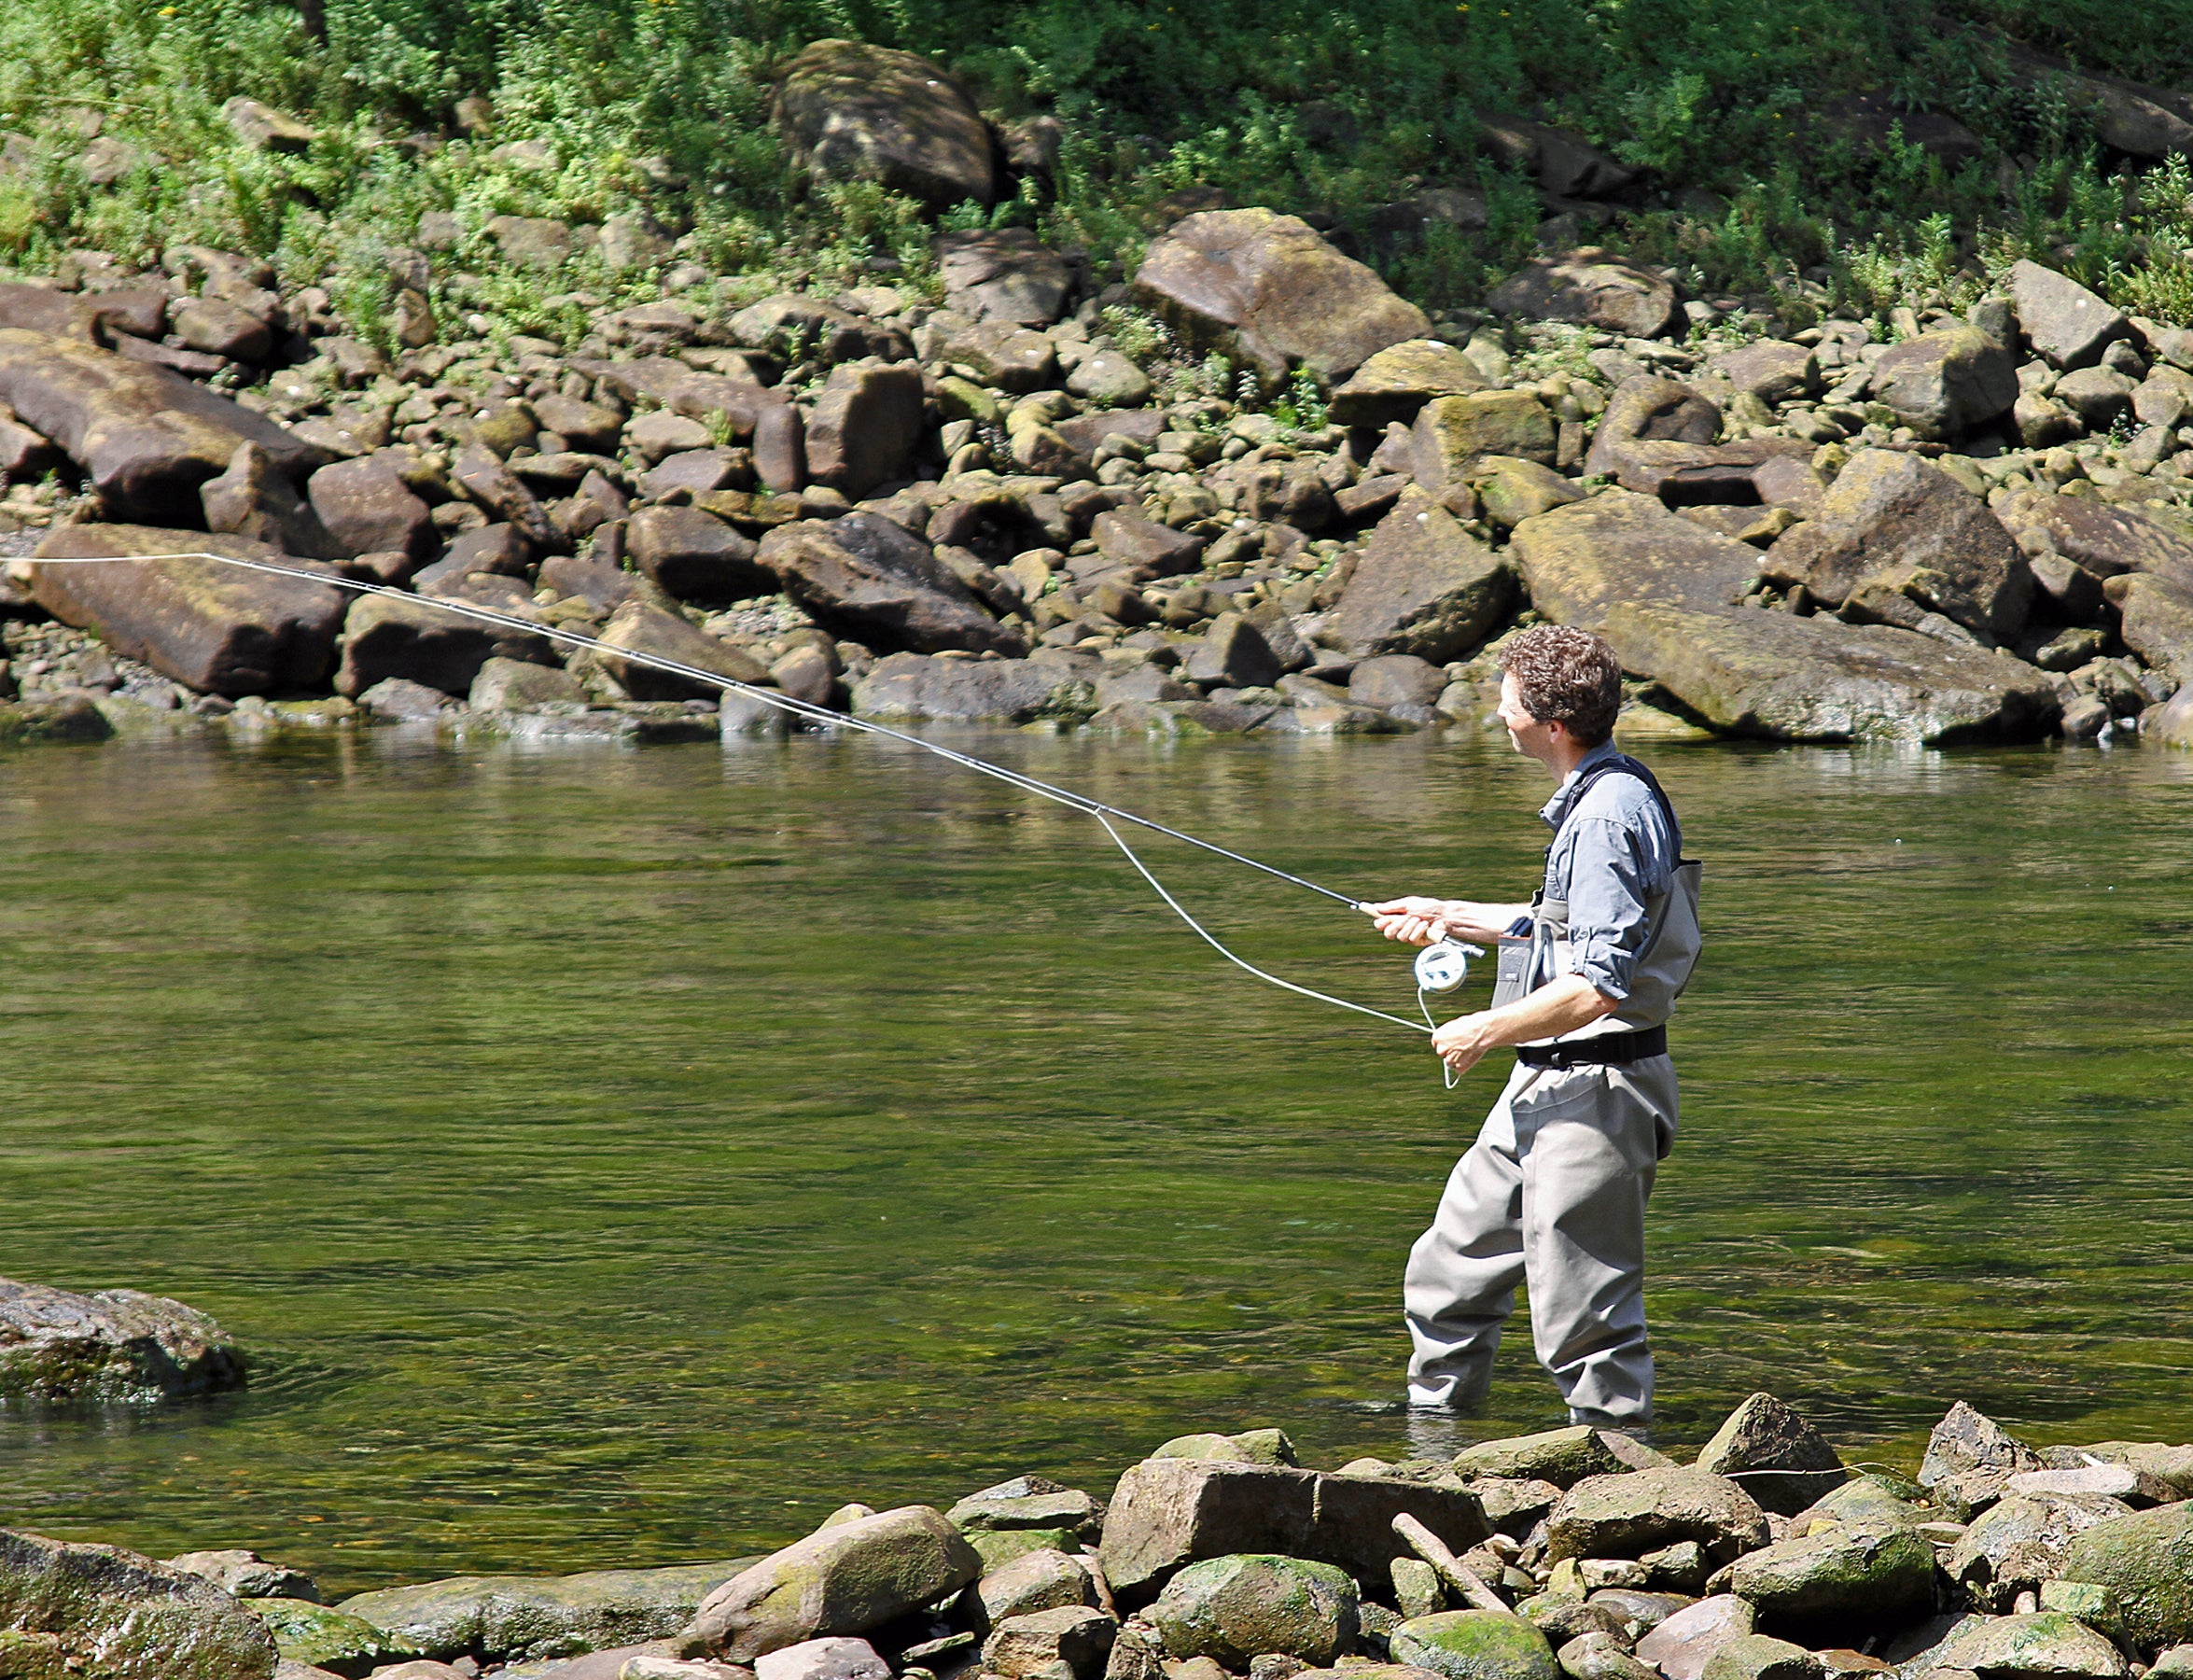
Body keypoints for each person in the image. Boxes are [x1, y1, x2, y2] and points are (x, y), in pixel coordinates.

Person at [1363, 624, 1700, 1432]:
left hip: (1599, 1088)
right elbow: (1560, 926)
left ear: (1550, 725)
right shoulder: (1597, 793)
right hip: (1545, 1080)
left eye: (1506, 699)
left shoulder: (1609, 815)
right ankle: (1428, 1456)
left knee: (1584, 1317)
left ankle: (1631, 1485)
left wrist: (1486, 1028)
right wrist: (1444, 914)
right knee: (1449, 1270)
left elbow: (1598, 985)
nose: (1497, 711)